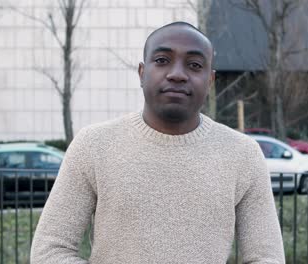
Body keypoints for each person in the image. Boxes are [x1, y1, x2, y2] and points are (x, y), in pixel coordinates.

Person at [30, 21, 284, 263]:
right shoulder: (93, 145)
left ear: (210, 81)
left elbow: (267, 257)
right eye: (162, 61)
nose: (177, 74)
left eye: (194, 65)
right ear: (142, 73)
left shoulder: (243, 154)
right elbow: (50, 250)